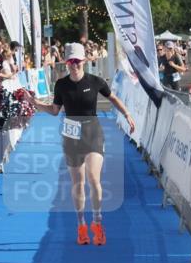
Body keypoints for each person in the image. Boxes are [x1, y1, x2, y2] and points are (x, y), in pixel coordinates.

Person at [34, 43, 135, 247]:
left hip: (93, 132)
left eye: (77, 61)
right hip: (71, 135)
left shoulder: (95, 81)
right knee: (77, 183)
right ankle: (81, 225)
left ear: (84, 62)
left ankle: (97, 223)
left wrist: (127, 114)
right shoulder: (61, 85)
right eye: (70, 62)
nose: (74, 65)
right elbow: (54, 110)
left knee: (93, 178)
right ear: (66, 63)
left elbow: (113, 98)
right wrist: (33, 102)